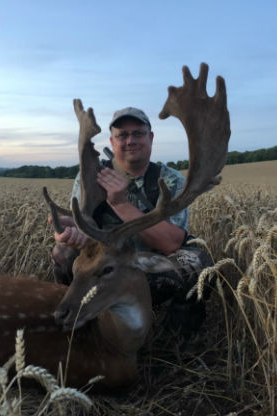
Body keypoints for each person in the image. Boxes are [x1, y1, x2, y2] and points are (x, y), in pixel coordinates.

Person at [50, 107, 212, 337]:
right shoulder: (90, 176)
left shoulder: (171, 179)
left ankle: (178, 343)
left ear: (151, 137)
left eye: (137, 133)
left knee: (197, 262)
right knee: (62, 252)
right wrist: (73, 233)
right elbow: (82, 227)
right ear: (112, 141)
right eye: (122, 135)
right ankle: (77, 320)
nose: (130, 141)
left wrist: (120, 203)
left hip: (148, 268)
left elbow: (171, 243)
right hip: (104, 272)